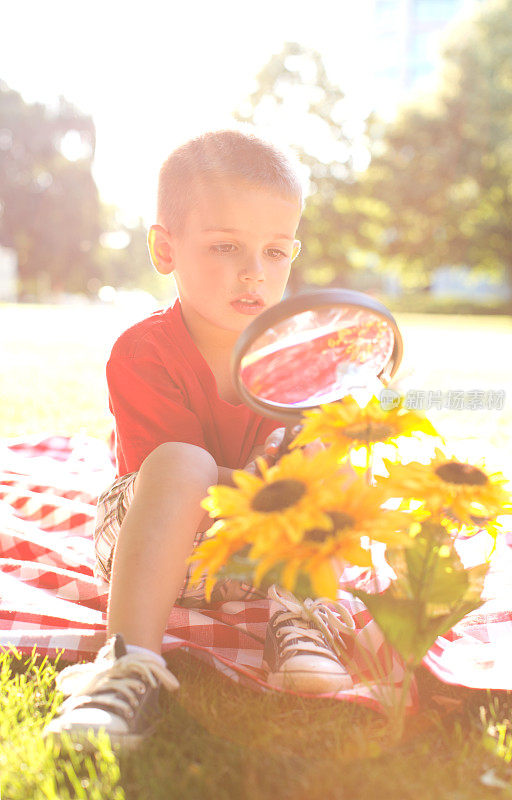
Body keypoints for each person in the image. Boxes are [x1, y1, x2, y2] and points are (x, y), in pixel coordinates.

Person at [43, 130, 355, 751]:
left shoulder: (296, 358)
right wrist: (280, 487)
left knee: (334, 458)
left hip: (262, 560)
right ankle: (127, 662)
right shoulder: (144, 351)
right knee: (185, 462)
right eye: (225, 246)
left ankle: (303, 617)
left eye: (275, 252)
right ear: (165, 249)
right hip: (157, 548)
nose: (253, 272)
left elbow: (324, 474)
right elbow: (177, 482)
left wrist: (338, 433)